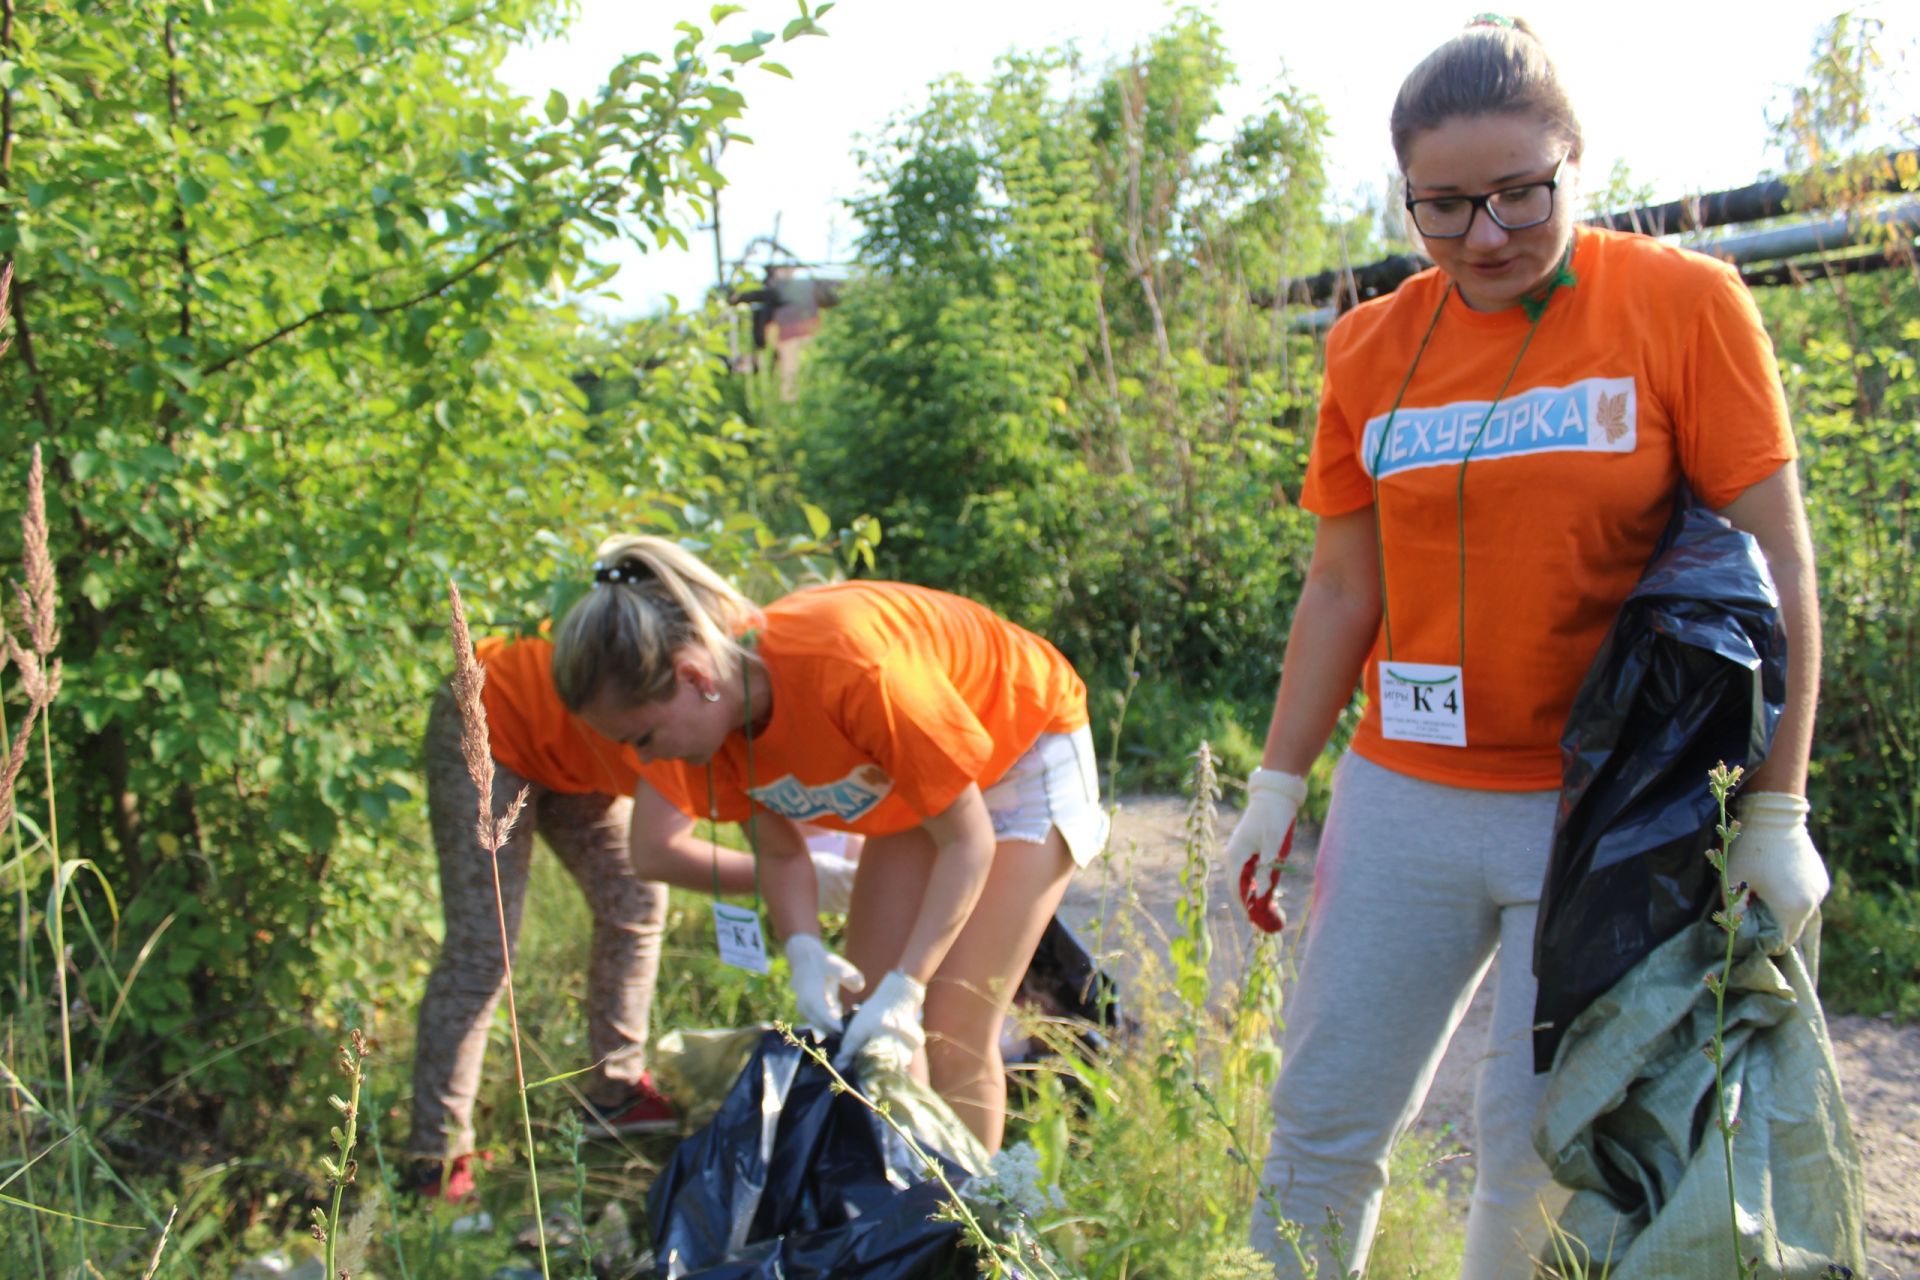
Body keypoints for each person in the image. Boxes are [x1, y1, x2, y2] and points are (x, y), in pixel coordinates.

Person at [1226, 16, 1826, 1278]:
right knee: (1321, 1123)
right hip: (1404, 798)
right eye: (1441, 208)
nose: (1485, 236)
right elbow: (1343, 584)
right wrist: (1279, 784)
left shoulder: (1680, 302)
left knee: (1538, 1154)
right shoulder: (1371, 344)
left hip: (1605, 810)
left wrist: (1778, 803)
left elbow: (1777, 568)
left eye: (1519, 195)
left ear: (1577, 161)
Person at [549, 536, 1106, 1154]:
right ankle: (909, 1204)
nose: (644, 760)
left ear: (694, 675)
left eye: (644, 736)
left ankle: (975, 1231)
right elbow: (782, 854)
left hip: (1027, 746)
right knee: (864, 1013)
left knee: (951, 1022)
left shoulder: (847, 665)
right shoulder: (714, 740)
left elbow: (966, 840)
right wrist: (805, 948)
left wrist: (910, 987)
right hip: (920, 780)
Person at [406, 632, 861, 1197]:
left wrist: (815, 872)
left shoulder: (727, 708)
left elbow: (782, 831)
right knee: (485, 950)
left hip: (576, 759)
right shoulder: (679, 722)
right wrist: (806, 882)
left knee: (633, 907)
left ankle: (616, 1094)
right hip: (490, 724)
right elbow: (659, 852)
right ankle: (438, 1156)